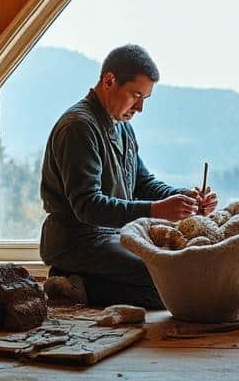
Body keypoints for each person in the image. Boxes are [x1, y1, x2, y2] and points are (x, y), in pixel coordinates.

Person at [38, 44, 216, 308]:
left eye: (145, 98)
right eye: (136, 95)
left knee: (178, 275)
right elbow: (88, 206)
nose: (140, 108)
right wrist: (157, 211)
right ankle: (75, 285)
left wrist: (184, 198)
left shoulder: (122, 127)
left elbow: (143, 183)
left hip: (113, 235)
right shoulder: (78, 127)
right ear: (109, 81)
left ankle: (79, 281)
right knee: (168, 285)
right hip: (77, 240)